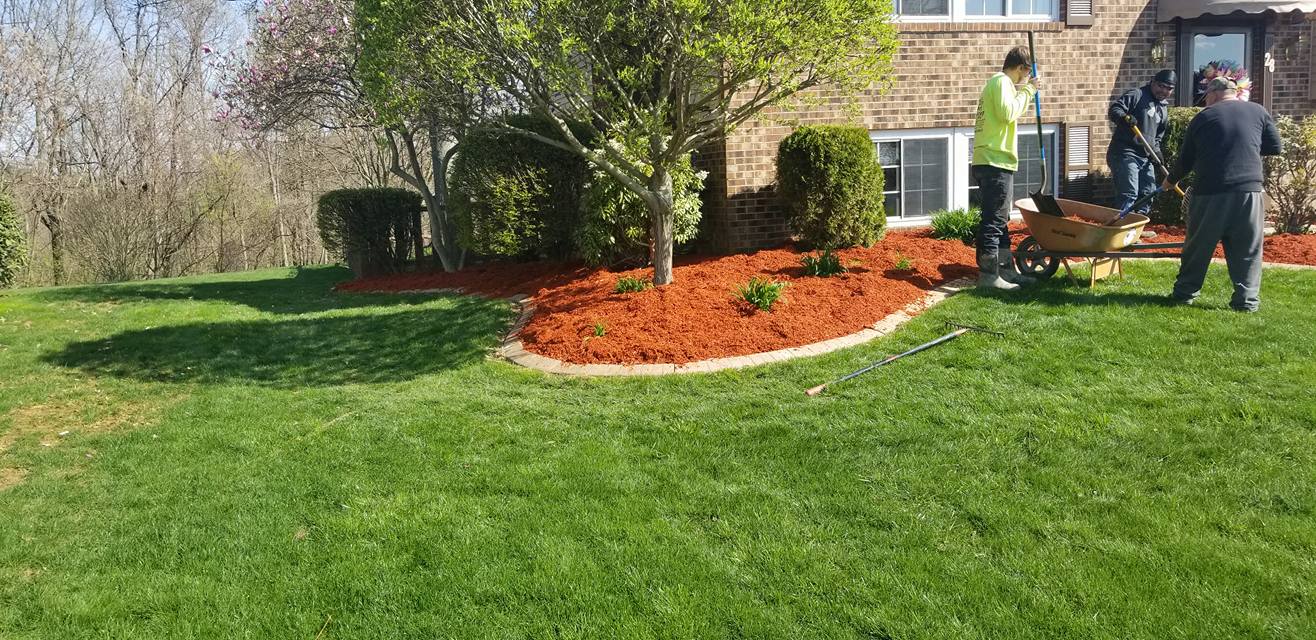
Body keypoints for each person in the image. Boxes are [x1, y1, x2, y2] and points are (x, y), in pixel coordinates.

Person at [1163, 77, 1282, 312]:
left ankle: (1184, 294)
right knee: (1247, 249)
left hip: (1210, 192)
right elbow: (1275, 147)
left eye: (1206, 96)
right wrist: (1246, 147)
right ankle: (1246, 302)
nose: (1206, 101)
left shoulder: (1204, 117)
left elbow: (1186, 159)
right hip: (1250, 191)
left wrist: (1170, 181)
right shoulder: (1258, 111)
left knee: (1198, 246)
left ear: (1214, 94)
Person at [972, 45, 1040, 290]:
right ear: (1021, 67)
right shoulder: (1001, 82)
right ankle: (989, 276)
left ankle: (1005, 270)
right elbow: (1007, 113)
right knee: (994, 219)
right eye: (1027, 72)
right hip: (994, 160)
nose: (1027, 76)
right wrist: (1029, 90)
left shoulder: (1000, 85)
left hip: (992, 159)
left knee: (1000, 218)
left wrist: (1025, 90)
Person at [1108, 70, 1175, 216]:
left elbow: (1157, 137)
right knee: (1129, 193)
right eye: (1161, 86)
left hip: (1145, 157)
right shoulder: (1137, 95)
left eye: (1169, 88)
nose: (1164, 91)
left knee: (1148, 192)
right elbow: (1115, 109)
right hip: (1125, 153)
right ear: (1152, 82)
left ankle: (1138, 225)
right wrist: (1124, 118)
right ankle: (1122, 225)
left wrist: (1157, 152)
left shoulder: (1163, 109)